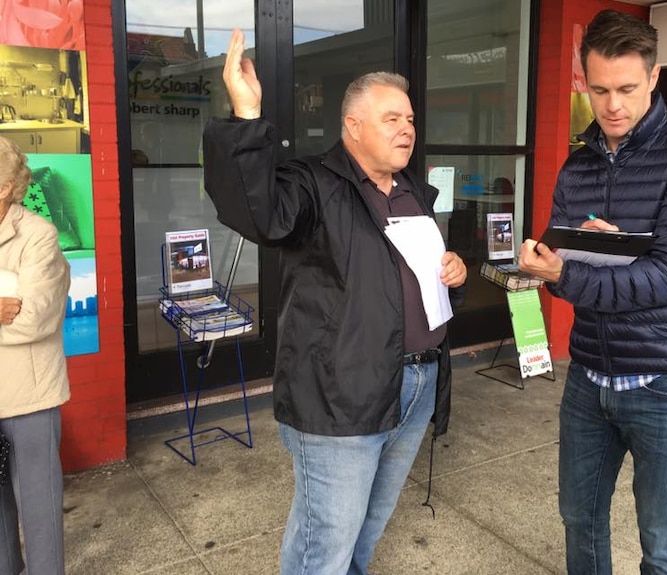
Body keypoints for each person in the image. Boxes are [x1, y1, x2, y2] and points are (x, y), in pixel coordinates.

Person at [201, 29, 467, 575]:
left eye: (410, 119)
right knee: (326, 542)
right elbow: (258, 213)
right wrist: (246, 118)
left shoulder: (412, 191)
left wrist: (453, 274)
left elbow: (411, 279)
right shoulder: (311, 184)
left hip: (414, 385)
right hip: (339, 394)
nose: (407, 129)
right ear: (352, 126)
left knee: (367, 525)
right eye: (391, 118)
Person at [518, 10, 667, 575]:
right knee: (578, 520)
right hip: (588, 376)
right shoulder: (577, 164)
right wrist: (545, 265)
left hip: (664, 379)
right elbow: (560, 263)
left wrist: (580, 269)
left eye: (628, 89)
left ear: (654, 77)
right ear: (584, 81)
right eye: (601, 89)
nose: (613, 105)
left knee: (662, 543)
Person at [0, 135, 71, 575]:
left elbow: (34, 320)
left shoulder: (39, 236)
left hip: (31, 399)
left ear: (4, 186)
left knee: (39, 509)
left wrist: (14, 310)